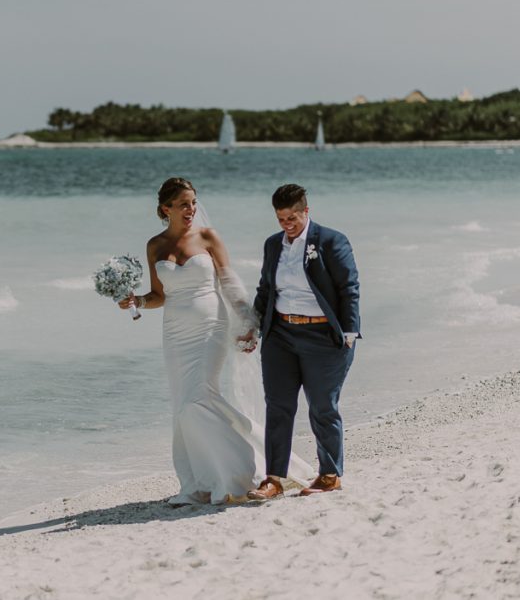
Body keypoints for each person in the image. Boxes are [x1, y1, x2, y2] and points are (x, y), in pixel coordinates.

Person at [119, 178, 312, 505]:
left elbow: (230, 284)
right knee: (185, 405)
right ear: (166, 209)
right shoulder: (155, 246)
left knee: (200, 396)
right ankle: (205, 478)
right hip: (175, 332)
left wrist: (248, 322)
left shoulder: (208, 238)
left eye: (193, 202)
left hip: (210, 327)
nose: (191, 209)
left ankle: (237, 472)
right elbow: (159, 295)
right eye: (183, 204)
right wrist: (136, 300)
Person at [247, 184, 361, 500]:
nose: (287, 224)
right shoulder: (273, 245)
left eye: (292, 217)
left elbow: (349, 289)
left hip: (323, 337)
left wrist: (349, 335)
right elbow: (265, 290)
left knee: (323, 406)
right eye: (281, 218)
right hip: (280, 336)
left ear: (306, 211)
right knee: (278, 406)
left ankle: (329, 475)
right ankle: (273, 479)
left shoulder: (331, 241)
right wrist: (253, 327)